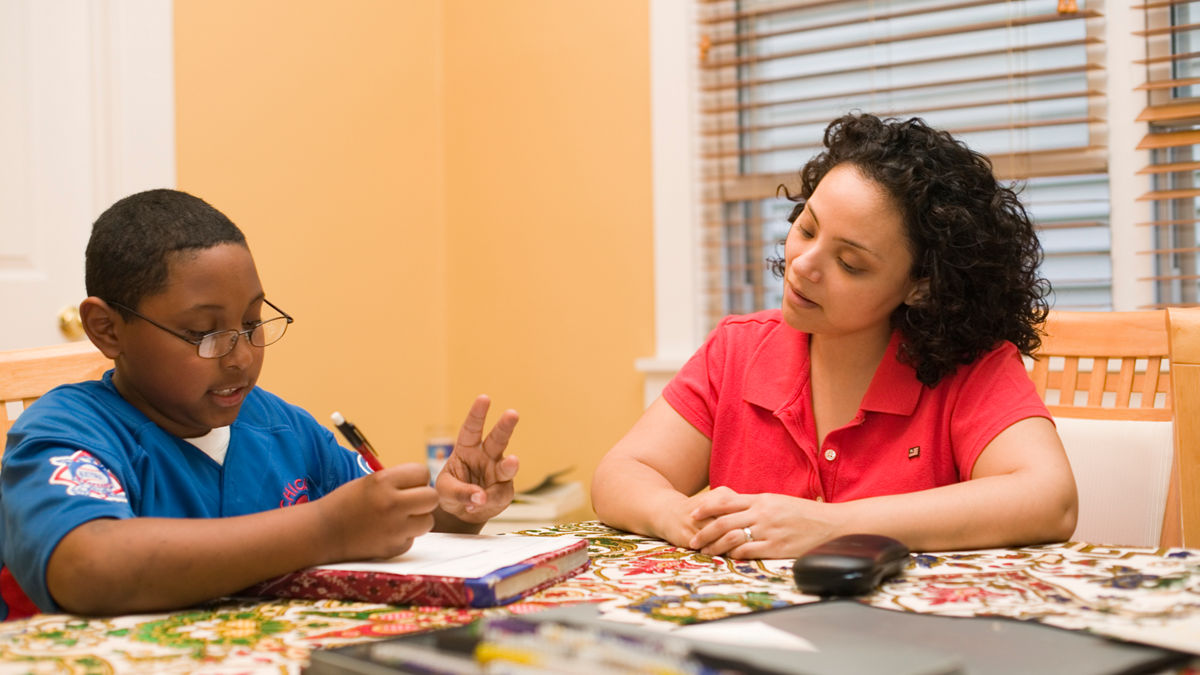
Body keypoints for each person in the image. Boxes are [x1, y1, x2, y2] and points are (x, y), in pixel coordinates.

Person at [0, 189, 520, 619]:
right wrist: (325, 530)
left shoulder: (283, 429)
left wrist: (451, 510)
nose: (241, 357)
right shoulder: (68, 431)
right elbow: (87, 567)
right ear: (107, 329)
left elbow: (376, 525)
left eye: (252, 325)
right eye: (203, 333)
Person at [592, 113, 1078, 560]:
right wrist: (680, 517)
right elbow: (620, 474)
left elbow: (1049, 501)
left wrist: (830, 526)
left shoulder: (971, 366)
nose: (803, 265)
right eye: (807, 229)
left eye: (850, 263)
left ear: (920, 286)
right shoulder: (737, 350)